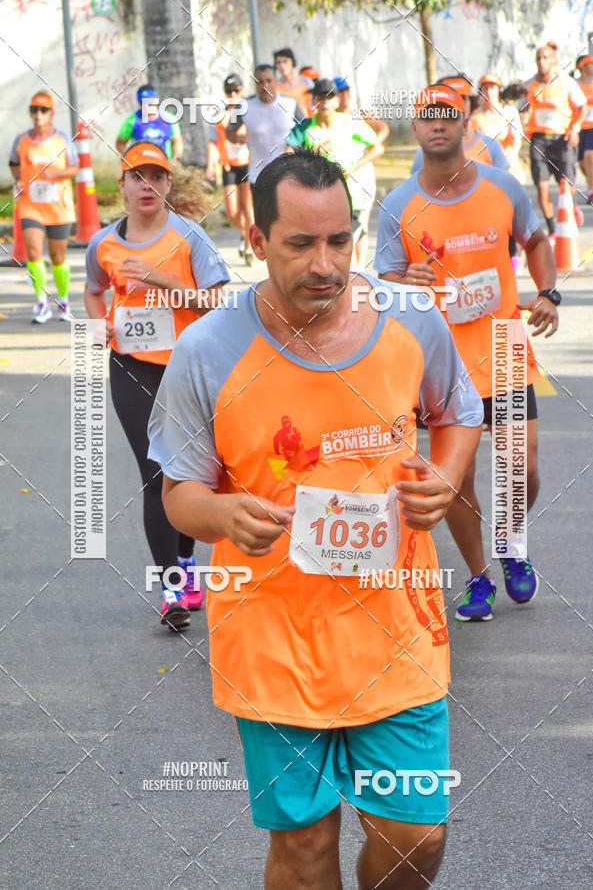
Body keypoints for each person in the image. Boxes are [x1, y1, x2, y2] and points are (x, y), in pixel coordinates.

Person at [148, 147, 483, 888]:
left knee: (416, 836)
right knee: (303, 849)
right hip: (274, 640)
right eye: (301, 243)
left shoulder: (409, 320)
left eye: (339, 240)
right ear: (258, 240)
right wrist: (224, 513)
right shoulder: (208, 349)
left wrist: (446, 471)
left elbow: (458, 411)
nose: (325, 263)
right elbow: (179, 492)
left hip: (397, 632)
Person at [375, 84, 559, 622]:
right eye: (428, 118)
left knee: (521, 472)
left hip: (503, 349)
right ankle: (479, 576)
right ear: (416, 129)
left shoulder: (504, 187)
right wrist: (402, 277)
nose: (438, 125)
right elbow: (382, 280)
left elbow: (537, 240)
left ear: (465, 124)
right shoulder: (398, 204)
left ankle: (509, 544)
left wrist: (547, 292)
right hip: (440, 361)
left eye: (448, 117)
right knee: (456, 480)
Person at [84, 141, 229, 630]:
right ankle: (171, 588)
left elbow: (214, 303)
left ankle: (185, 564)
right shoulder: (103, 243)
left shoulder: (189, 237)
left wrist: (161, 279)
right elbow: (92, 288)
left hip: (187, 370)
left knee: (188, 472)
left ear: (168, 185)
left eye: (156, 177)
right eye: (136, 176)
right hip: (131, 367)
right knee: (153, 472)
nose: (146, 186)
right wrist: (98, 324)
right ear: (121, 185)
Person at [285, 78, 384, 265]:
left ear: (337, 101)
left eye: (330, 98)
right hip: (316, 199)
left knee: (348, 249)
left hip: (349, 196)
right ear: (314, 101)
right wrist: (318, 151)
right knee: (325, 250)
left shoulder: (349, 123)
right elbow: (287, 159)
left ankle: (357, 281)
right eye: (321, 98)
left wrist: (353, 167)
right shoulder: (304, 128)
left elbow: (377, 148)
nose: (325, 103)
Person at [9, 91, 78, 323]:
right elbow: (14, 164)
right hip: (31, 205)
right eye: (34, 110)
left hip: (59, 206)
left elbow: (75, 168)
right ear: (31, 113)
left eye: (43, 110)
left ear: (51, 113)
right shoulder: (21, 140)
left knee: (58, 257)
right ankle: (41, 303)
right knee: (34, 253)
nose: (38, 114)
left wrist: (56, 173)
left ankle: (64, 299)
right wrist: (18, 180)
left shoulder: (63, 138)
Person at [523, 45, 586, 232]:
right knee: (542, 187)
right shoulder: (530, 85)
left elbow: (582, 106)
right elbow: (521, 107)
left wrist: (575, 128)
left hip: (562, 139)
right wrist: (524, 118)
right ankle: (552, 229)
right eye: (539, 58)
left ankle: (569, 208)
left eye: (545, 57)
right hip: (539, 140)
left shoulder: (565, 82)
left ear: (553, 61)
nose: (542, 61)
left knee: (566, 186)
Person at [334, 75, 390, 267]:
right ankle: (352, 267)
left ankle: (360, 267)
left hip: (362, 174)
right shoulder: (330, 119)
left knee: (362, 221)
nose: (344, 96)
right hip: (342, 177)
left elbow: (383, 128)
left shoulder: (358, 114)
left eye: (346, 90)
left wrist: (374, 143)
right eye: (339, 92)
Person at [226, 64, 304, 196]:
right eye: (260, 82)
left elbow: (305, 129)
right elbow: (229, 131)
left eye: (269, 80)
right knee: (263, 217)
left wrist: (294, 145)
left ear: (276, 81)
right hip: (258, 176)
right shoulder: (244, 105)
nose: (265, 85)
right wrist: (238, 138)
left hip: (288, 175)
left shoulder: (290, 103)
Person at [410, 75, 510, 174]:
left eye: (463, 98)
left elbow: (504, 185)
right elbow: (416, 186)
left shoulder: (491, 146)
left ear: (471, 103)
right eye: (451, 98)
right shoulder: (426, 152)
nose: (459, 104)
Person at [206, 73, 254, 264]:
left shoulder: (251, 112)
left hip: (248, 164)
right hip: (229, 167)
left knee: (248, 208)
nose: (233, 94)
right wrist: (210, 164)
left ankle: (249, 248)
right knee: (232, 213)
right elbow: (213, 141)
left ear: (242, 90)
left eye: (237, 90)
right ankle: (246, 235)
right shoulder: (219, 114)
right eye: (229, 91)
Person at [470, 73, 526, 183]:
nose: (489, 93)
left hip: (508, 164)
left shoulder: (510, 113)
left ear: (498, 91)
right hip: (485, 167)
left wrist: (512, 154)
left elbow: (516, 139)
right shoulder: (475, 117)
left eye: (492, 88)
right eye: (485, 88)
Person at [116, 85, 184, 161]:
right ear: (139, 103)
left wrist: (176, 159)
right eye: (143, 103)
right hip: (141, 165)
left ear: (156, 99)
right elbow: (120, 144)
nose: (147, 106)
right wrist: (132, 157)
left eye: (150, 102)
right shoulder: (132, 121)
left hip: (164, 165)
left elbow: (177, 141)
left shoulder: (169, 118)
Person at [575, 54, 593, 204]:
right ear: (582, 67)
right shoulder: (574, 85)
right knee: (582, 162)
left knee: (590, 156)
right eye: (590, 64)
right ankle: (592, 181)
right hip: (578, 127)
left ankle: (591, 192)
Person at [274, 46, 312, 116]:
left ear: (292, 62)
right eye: (278, 63)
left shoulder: (306, 81)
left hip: (306, 123)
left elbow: (314, 103)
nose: (282, 65)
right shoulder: (274, 86)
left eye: (285, 61)